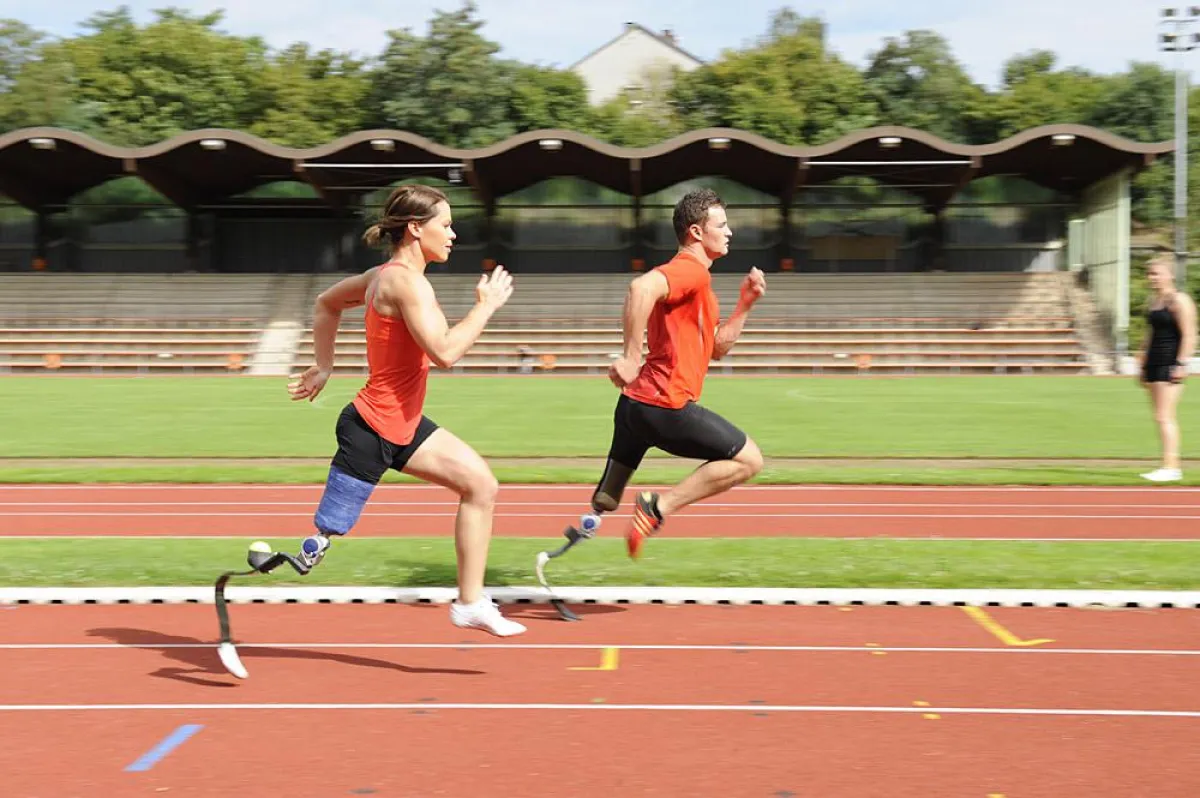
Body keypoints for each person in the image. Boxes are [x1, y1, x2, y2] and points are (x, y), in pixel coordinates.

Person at [285, 184, 526, 636]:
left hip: (402, 423)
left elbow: (326, 303)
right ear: (416, 229)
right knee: (323, 538)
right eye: (446, 225)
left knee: (481, 485)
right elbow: (445, 352)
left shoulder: (382, 275)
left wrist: (323, 366)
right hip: (375, 427)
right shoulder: (403, 283)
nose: (453, 234)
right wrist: (485, 308)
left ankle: (470, 603)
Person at [561, 188, 766, 558]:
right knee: (749, 460)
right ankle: (656, 509)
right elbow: (641, 287)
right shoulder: (690, 270)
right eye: (722, 224)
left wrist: (745, 305)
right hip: (664, 404)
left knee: (606, 498)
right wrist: (629, 356)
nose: (730, 231)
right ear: (696, 232)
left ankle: (581, 530)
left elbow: (717, 349)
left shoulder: (700, 284)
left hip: (633, 408)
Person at [1138, 253, 1197, 482]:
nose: (1152, 277)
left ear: (1170, 274)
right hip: (1153, 362)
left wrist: (1181, 363)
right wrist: (1141, 362)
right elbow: (1149, 333)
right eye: (1149, 273)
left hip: (1170, 362)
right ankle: (1167, 464)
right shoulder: (1154, 301)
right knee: (1159, 416)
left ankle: (1171, 466)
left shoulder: (1179, 300)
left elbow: (1190, 335)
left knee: (1165, 416)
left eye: (1156, 273)